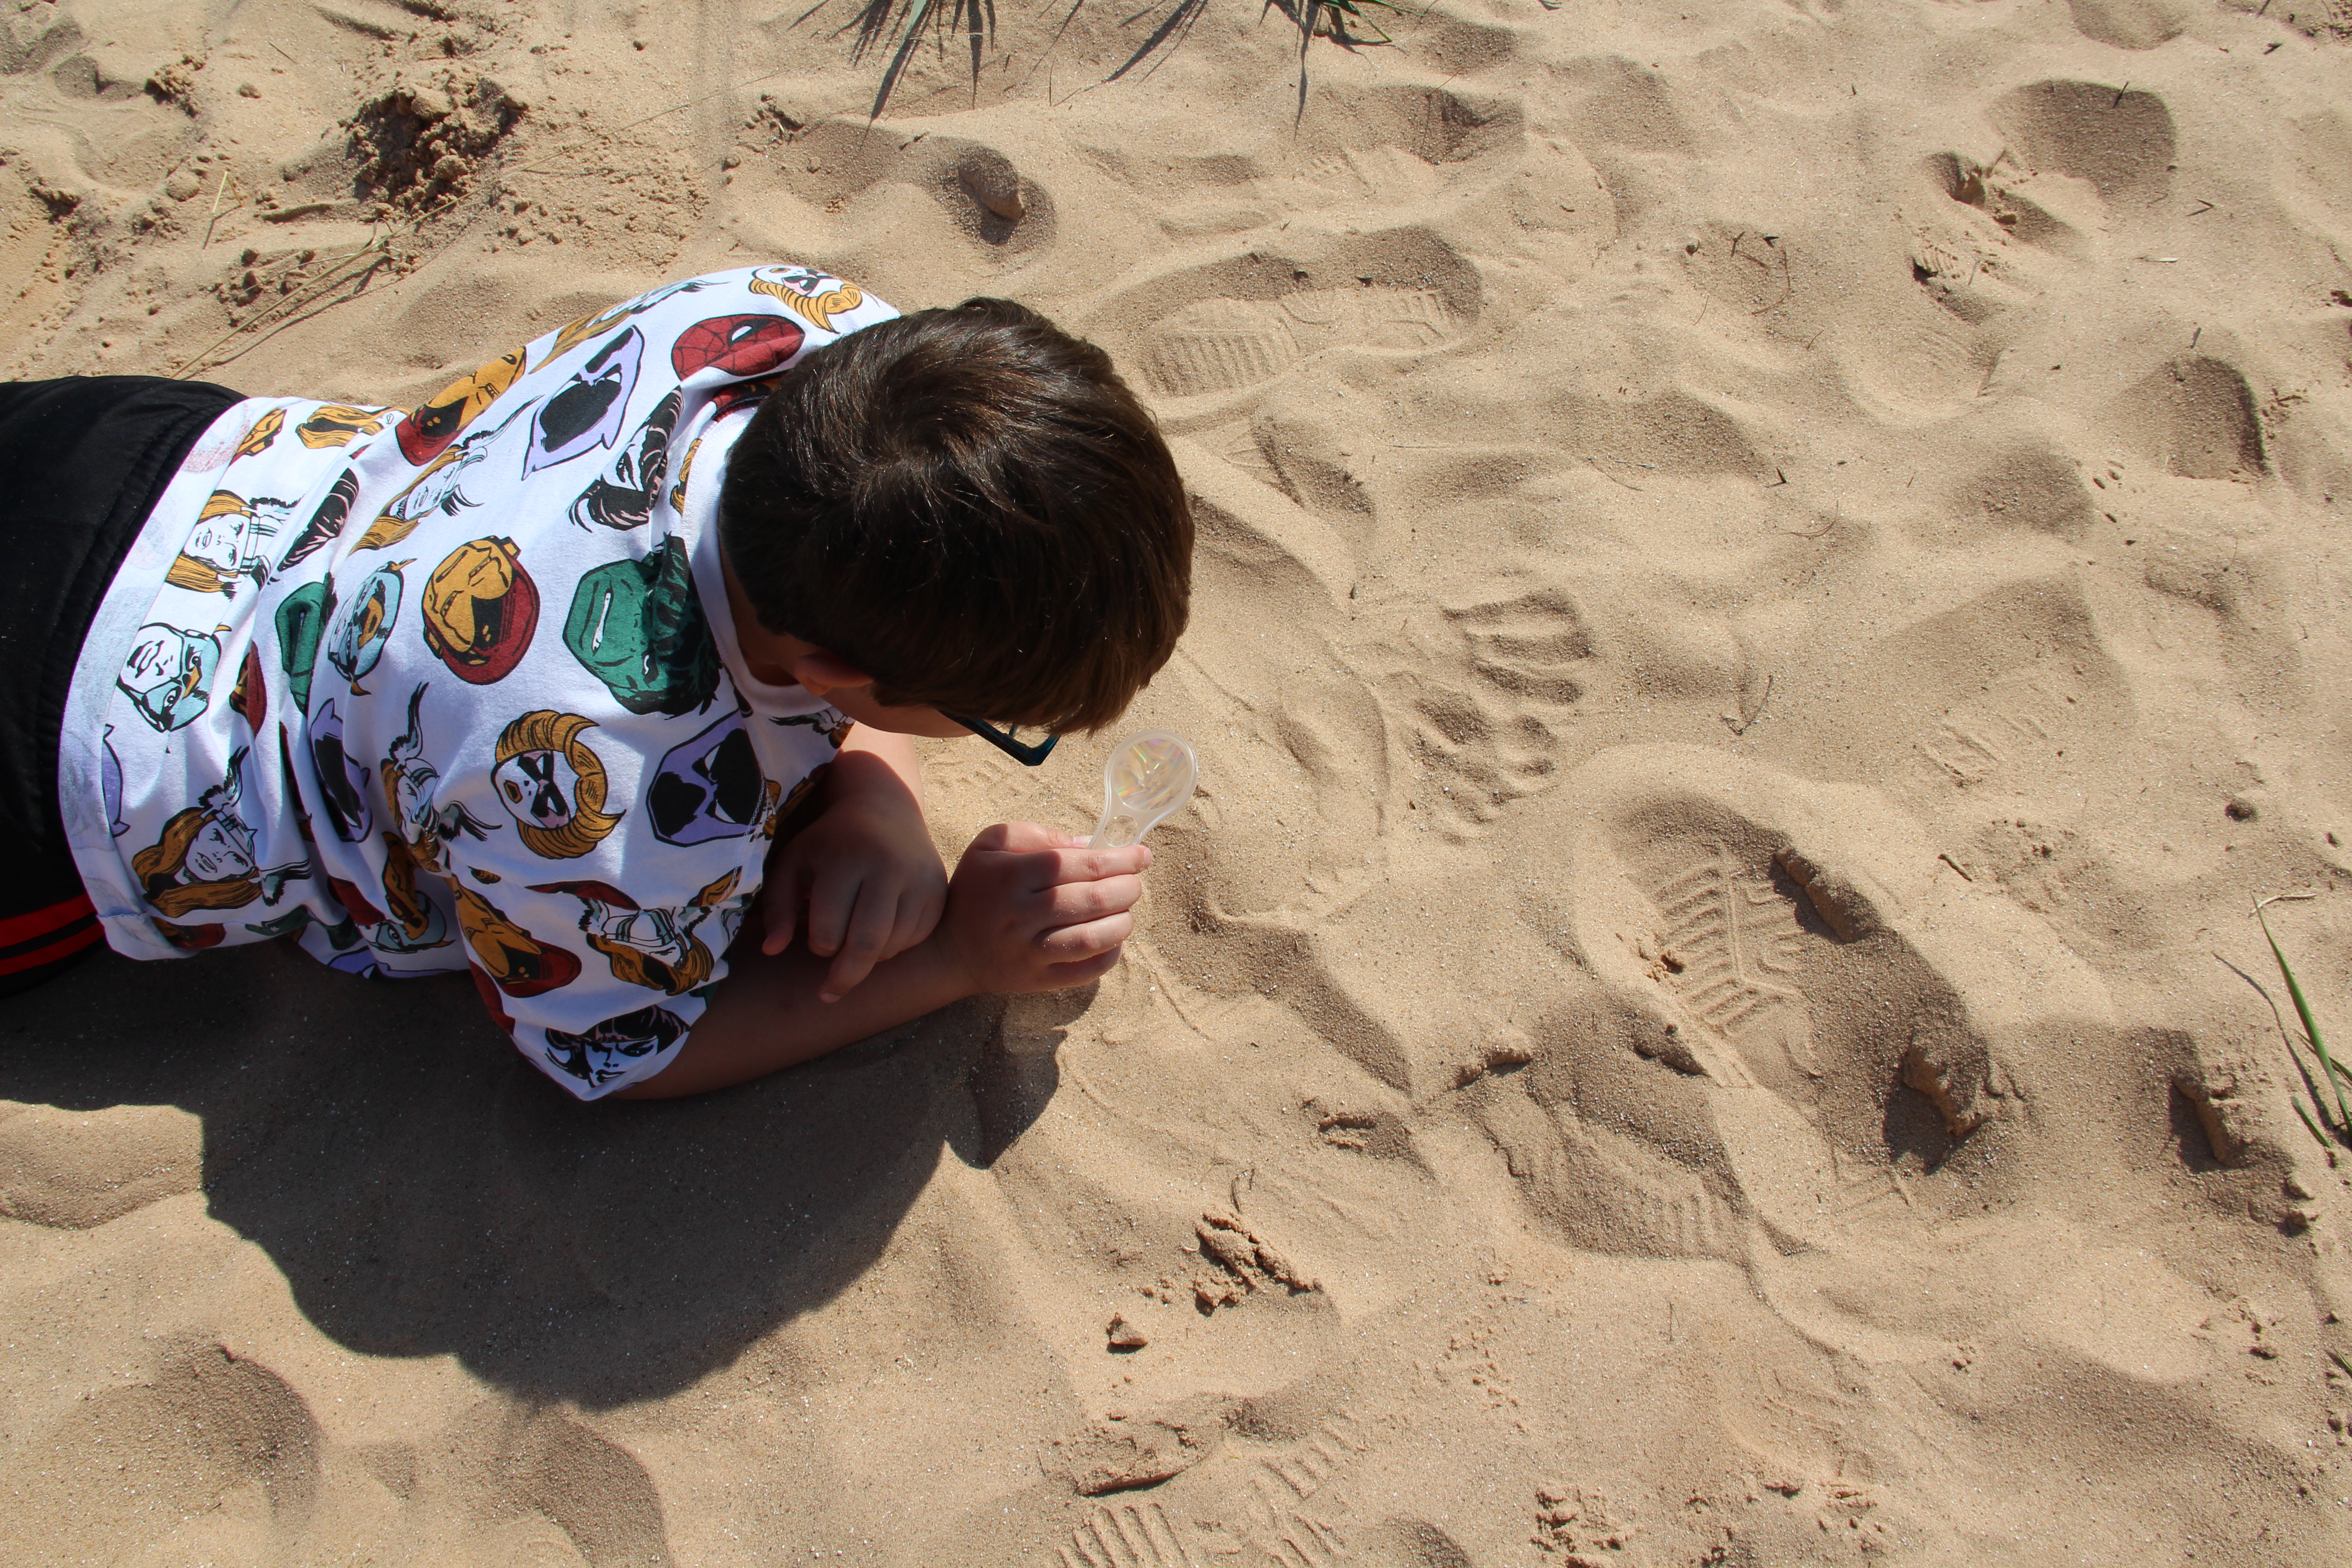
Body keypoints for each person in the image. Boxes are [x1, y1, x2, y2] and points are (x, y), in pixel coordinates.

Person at [0, 265, 1193, 1100]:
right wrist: (959, 962)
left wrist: (870, 789)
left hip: (161, 467)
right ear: (834, 669)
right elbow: (616, 1052)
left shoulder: (808, 328)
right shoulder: (591, 782)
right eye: (992, 722)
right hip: (78, 748)